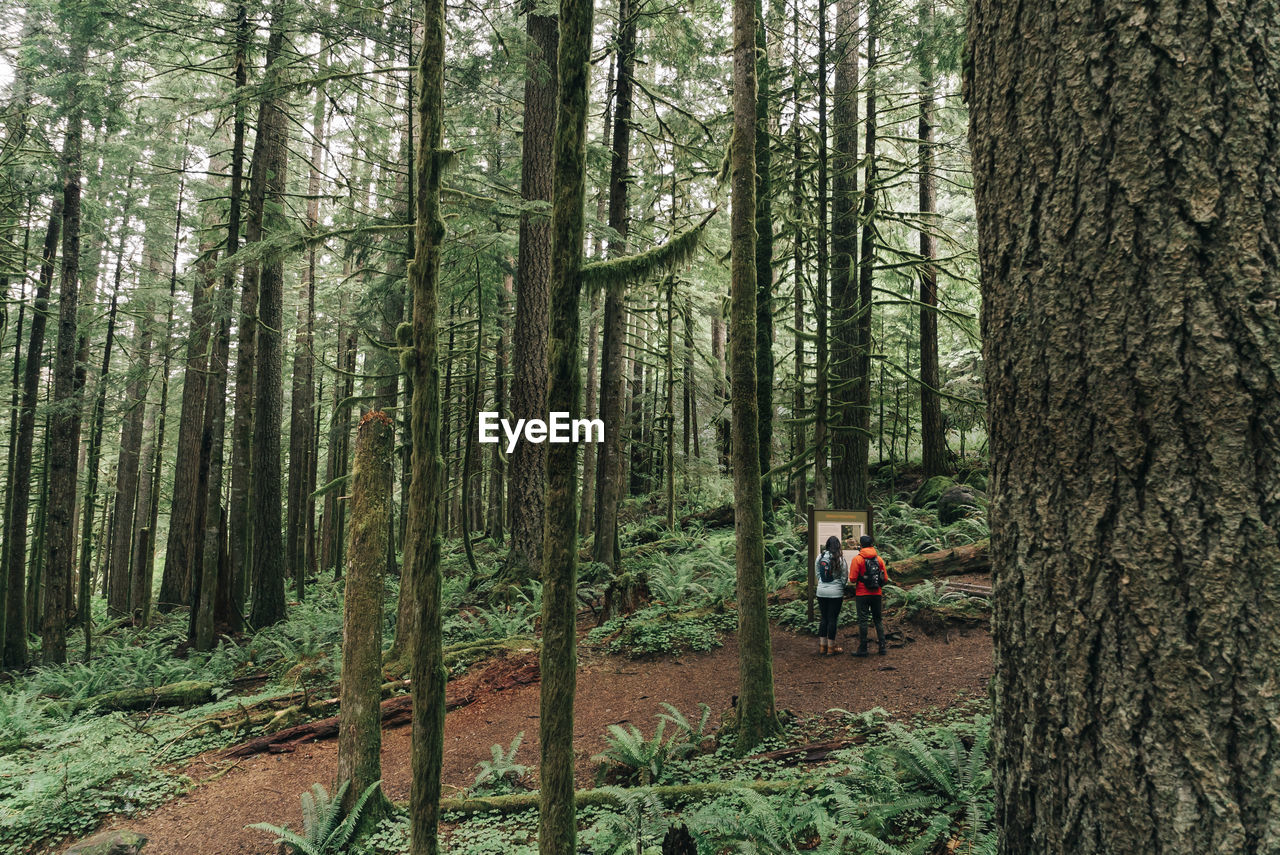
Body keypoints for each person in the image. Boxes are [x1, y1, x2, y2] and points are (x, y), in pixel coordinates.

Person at [849, 533, 891, 657]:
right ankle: (882, 647)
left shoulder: (858, 559)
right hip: (876, 593)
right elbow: (885, 578)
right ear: (872, 544)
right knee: (878, 620)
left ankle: (863, 648)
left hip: (862, 594)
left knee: (863, 620)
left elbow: (852, 579)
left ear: (861, 545)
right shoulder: (879, 559)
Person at [814, 535, 847, 655]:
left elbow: (817, 572)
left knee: (824, 618)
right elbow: (844, 577)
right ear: (838, 545)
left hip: (821, 591)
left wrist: (822, 583)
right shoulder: (840, 559)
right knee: (832, 619)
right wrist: (839, 587)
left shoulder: (820, 556)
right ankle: (831, 648)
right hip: (836, 593)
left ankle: (822, 646)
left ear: (827, 545)